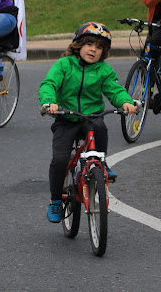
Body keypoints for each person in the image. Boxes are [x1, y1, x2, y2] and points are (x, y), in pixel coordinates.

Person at [38, 22, 137, 223]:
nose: (93, 49)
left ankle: (101, 162)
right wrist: (50, 102)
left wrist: (126, 102)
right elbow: (49, 84)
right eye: (89, 44)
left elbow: (114, 89)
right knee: (59, 160)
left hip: (90, 118)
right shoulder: (64, 65)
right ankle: (56, 200)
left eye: (99, 47)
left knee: (100, 126)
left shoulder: (104, 70)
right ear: (78, 45)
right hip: (66, 118)